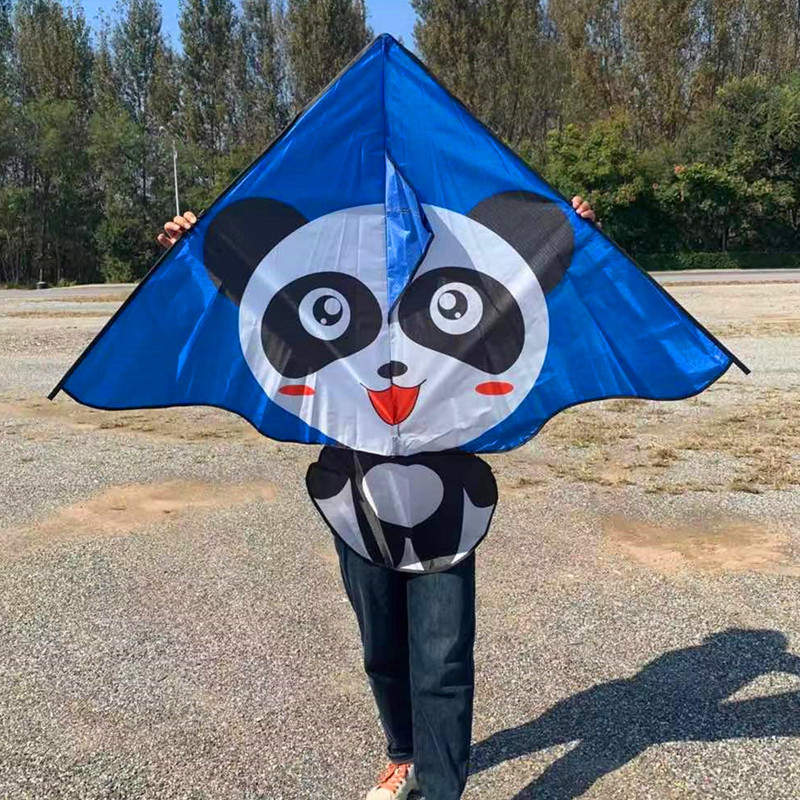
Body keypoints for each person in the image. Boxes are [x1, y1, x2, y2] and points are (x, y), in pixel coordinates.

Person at [158, 194, 598, 800]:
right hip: (356, 492)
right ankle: (403, 753)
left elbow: (538, 302)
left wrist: (570, 237)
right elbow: (251, 307)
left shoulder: (455, 258)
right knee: (381, 645)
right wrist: (194, 252)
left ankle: (439, 788)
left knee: (443, 654)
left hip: (447, 501)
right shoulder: (334, 261)